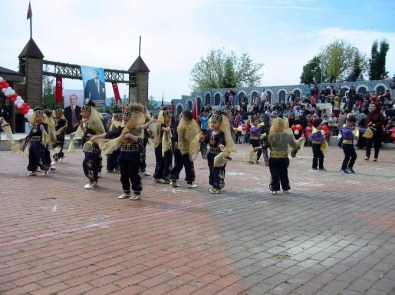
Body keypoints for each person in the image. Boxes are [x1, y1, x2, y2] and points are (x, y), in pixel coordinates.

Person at [91, 104, 155, 200]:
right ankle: (126, 191)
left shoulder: (138, 129)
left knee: (133, 174)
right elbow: (111, 134)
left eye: (127, 120)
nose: (124, 122)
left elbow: (140, 140)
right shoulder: (122, 129)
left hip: (134, 154)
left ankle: (137, 192)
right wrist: (97, 137)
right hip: (123, 154)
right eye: (124, 120)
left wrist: (130, 136)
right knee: (123, 174)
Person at [70, 100, 105, 189]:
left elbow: (103, 133)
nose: (82, 113)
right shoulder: (86, 120)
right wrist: (76, 131)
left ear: (89, 112)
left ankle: (92, 180)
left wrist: (93, 136)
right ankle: (94, 179)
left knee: (87, 162)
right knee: (91, 162)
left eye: (83, 111)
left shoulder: (96, 121)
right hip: (86, 143)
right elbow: (84, 131)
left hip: (93, 144)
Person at [200, 110, 237, 194]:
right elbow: (206, 141)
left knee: (218, 170)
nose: (212, 124)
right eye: (211, 122)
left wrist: (220, 145)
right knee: (211, 170)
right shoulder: (209, 132)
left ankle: (218, 185)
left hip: (219, 155)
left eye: (215, 122)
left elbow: (221, 141)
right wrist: (202, 139)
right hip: (211, 154)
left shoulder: (221, 133)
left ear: (220, 123)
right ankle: (213, 184)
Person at [266, 117, 304, 195]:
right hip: (284, 158)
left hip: (274, 157)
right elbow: (294, 146)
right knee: (284, 172)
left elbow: (267, 146)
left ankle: (274, 188)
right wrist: (299, 142)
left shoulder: (271, 136)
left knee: (274, 173)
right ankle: (285, 187)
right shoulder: (288, 135)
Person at [169, 110, 201, 188]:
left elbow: (174, 138)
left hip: (177, 148)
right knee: (189, 165)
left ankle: (173, 179)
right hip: (186, 149)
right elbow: (188, 138)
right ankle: (189, 182)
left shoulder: (178, 124)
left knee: (178, 164)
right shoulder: (187, 126)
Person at [24, 108, 51, 176]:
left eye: (41, 116)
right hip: (33, 144)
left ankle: (45, 169)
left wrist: (43, 130)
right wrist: (25, 139)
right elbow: (30, 135)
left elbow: (46, 134)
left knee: (40, 157)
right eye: (38, 116)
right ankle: (33, 170)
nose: (40, 118)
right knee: (32, 156)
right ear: (35, 117)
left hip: (40, 143)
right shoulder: (34, 125)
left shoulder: (44, 125)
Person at [152, 109, 174, 183]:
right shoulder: (161, 125)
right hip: (163, 145)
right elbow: (164, 129)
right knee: (166, 160)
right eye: (168, 117)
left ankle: (157, 176)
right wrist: (167, 130)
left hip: (159, 145)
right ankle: (165, 177)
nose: (170, 119)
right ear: (163, 117)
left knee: (160, 161)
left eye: (170, 117)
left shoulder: (160, 124)